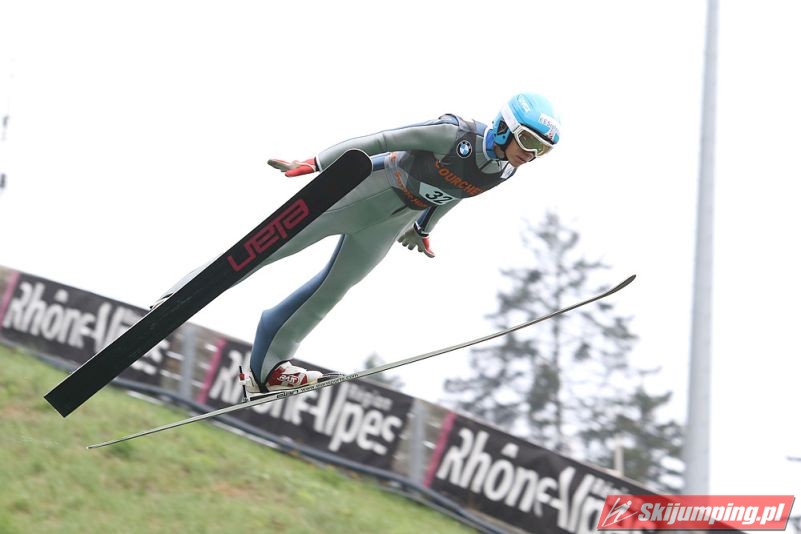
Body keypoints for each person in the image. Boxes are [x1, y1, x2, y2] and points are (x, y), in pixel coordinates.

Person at [159, 92, 561, 395]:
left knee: (333, 289)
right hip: (366, 190)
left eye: (542, 150)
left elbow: (457, 193)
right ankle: (176, 297)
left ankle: (267, 370)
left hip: (393, 221)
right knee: (266, 249)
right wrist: (317, 162)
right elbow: (382, 139)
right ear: (506, 127)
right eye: (529, 142)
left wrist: (424, 228)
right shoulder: (454, 133)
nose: (532, 155)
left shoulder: (504, 172)